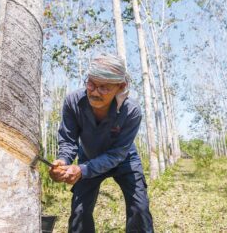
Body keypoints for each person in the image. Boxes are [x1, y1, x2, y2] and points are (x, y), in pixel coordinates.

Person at [49, 53, 154, 233]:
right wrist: (63, 161)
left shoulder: (131, 111)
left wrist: (81, 170)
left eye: (104, 88)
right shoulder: (73, 102)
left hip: (125, 161)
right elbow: (68, 140)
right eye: (91, 84)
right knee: (79, 213)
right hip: (88, 159)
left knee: (140, 209)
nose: (95, 92)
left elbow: (117, 154)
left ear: (121, 87)